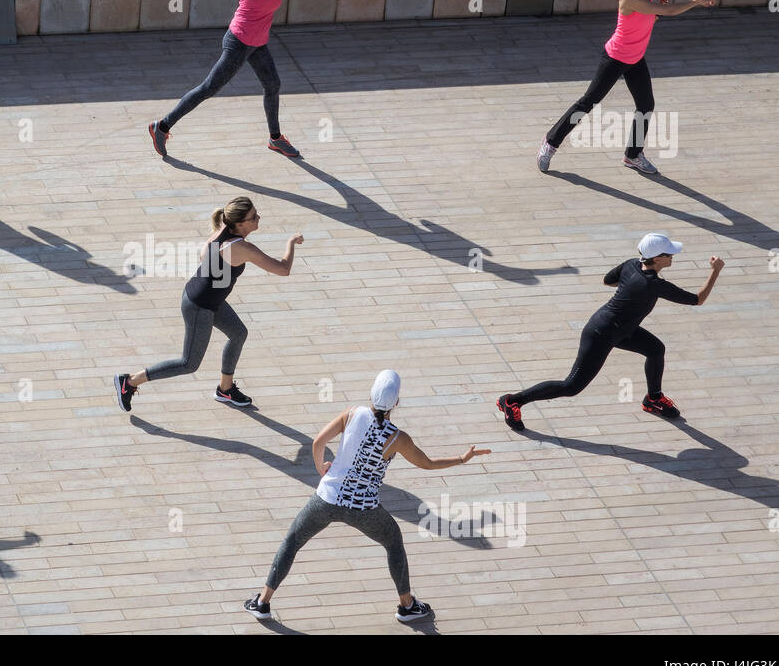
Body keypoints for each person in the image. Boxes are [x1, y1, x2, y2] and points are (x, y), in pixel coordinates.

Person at [244, 370, 489, 622]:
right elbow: (426, 463)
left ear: (370, 396)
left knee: (293, 541)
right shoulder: (397, 437)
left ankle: (262, 602)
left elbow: (318, 442)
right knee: (393, 542)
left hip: (325, 499)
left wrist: (321, 468)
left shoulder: (351, 414)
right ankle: (406, 606)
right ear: (396, 403)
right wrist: (462, 458)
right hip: (364, 509)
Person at [147, 0, 370, 159]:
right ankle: (162, 127)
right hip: (241, 42)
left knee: (272, 85)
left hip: (256, 41)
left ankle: (275, 139)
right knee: (209, 88)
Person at [498, 232, 724, 430]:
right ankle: (512, 401)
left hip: (621, 328)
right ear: (656, 259)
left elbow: (608, 281)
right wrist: (715, 271)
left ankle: (653, 399)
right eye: (669, 254)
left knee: (656, 349)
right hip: (601, 333)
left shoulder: (631, 265)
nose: (672, 256)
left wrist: (630, 288)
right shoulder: (653, 284)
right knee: (571, 386)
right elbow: (698, 300)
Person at [537, 0, 716, 175]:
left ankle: (633, 155)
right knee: (587, 103)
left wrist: (657, 12)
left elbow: (646, 22)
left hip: (636, 59)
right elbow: (669, 11)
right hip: (615, 58)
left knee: (646, 105)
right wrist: (695, 1)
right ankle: (550, 143)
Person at [114, 196, 301, 410]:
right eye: (253, 216)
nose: (259, 217)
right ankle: (129, 382)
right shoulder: (243, 248)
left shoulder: (223, 229)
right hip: (199, 307)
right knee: (189, 364)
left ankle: (225, 389)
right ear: (240, 224)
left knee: (238, 333)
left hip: (206, 298)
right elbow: (283, 269)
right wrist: (291, 243)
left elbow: (204, 255)